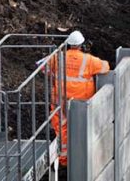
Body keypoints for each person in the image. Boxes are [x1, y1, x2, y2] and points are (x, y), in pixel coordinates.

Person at [52, 31, 110, 167]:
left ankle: (64, 160)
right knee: (81, 130)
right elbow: (105, 67)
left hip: (59, 100)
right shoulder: (88, 60)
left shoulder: (58, 58)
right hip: (81, 102)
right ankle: (81, 160)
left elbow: (45, 68)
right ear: (81, 45)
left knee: (62, 128)